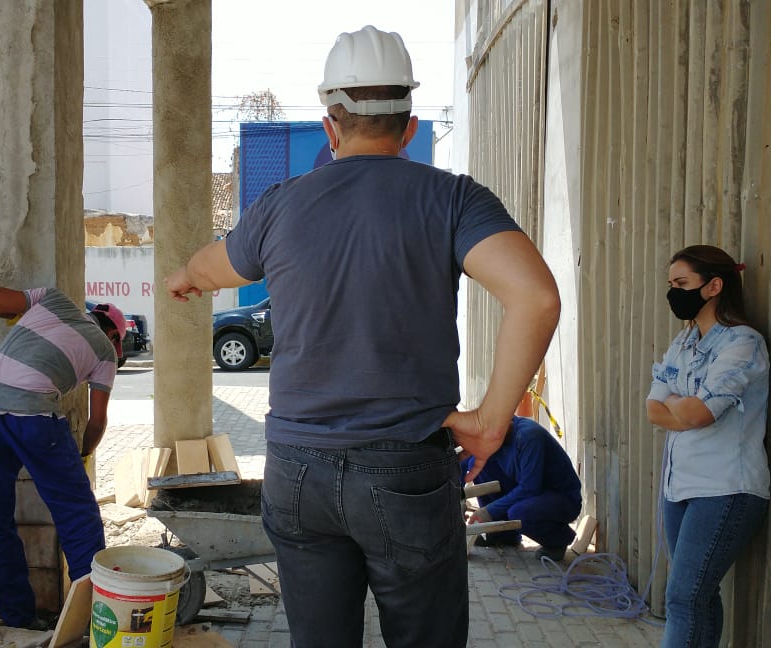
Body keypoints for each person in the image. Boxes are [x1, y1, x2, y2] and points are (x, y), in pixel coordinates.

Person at [165, 25, 560, 648]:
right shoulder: (453, 201)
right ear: (409, 125)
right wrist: (490, 422)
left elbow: (214, 267)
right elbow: (535, 297)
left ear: (331, 124)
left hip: (297, 472)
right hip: (406, 466)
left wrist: (185, 275)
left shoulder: (279, 205)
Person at [0, 287, 126, 630]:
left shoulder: (52, 300)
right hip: (34, 416)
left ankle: (18, 620)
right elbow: (96, 421)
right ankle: (95, 621)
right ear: (113, 334)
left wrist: (21, 317)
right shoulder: (105, 353)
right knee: (78, 515)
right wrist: (85, 452)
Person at [646, 245, 770, 647]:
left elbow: (701, 415)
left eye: (682, 284)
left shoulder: (743, 343)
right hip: (678, 486)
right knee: (699, 596)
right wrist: (686, 407)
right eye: (671, 285)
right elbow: (651, 408)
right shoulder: (682, 343)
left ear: (713, 285)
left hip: (725, 488)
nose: (674, 293)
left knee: (683, 597)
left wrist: (680, 408)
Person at [461, 415, 582, 562]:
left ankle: (558, 540)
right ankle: (504, 535)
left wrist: (488, 511)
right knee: (479, 465)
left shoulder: (529, 437)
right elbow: (464, 460)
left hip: (561, 498)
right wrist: (456, 498)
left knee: (518, 513)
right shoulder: (495, 435)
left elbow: (530, 488)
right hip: (530, 489)